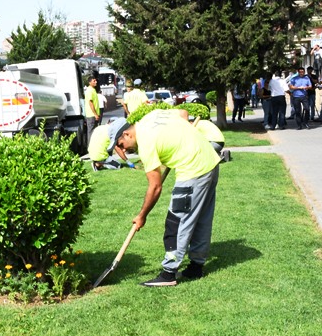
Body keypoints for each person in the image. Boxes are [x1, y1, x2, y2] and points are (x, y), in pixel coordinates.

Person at [110, 109, 220, 287]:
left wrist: (142, 215)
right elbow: (183, 113)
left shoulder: (145, 143)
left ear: (127, 134)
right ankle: (196, 267)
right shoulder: (151, 116)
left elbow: (155, 187)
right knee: (200, 219)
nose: (124, 150)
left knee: (176, 221)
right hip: (210, 161)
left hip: (193, 170)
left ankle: (169, 273)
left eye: (121, 145)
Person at [84, 75, 101, 145]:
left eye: (96, 80)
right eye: (94, 81)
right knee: (91, 132)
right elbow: (90, 103)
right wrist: (95, 114)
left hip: (94, 115)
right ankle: (90, 147)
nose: (96, 82)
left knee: (95, 132)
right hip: (91, 115)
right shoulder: (89, 90)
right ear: (90, 82)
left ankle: (94, 146)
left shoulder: (93, 90)